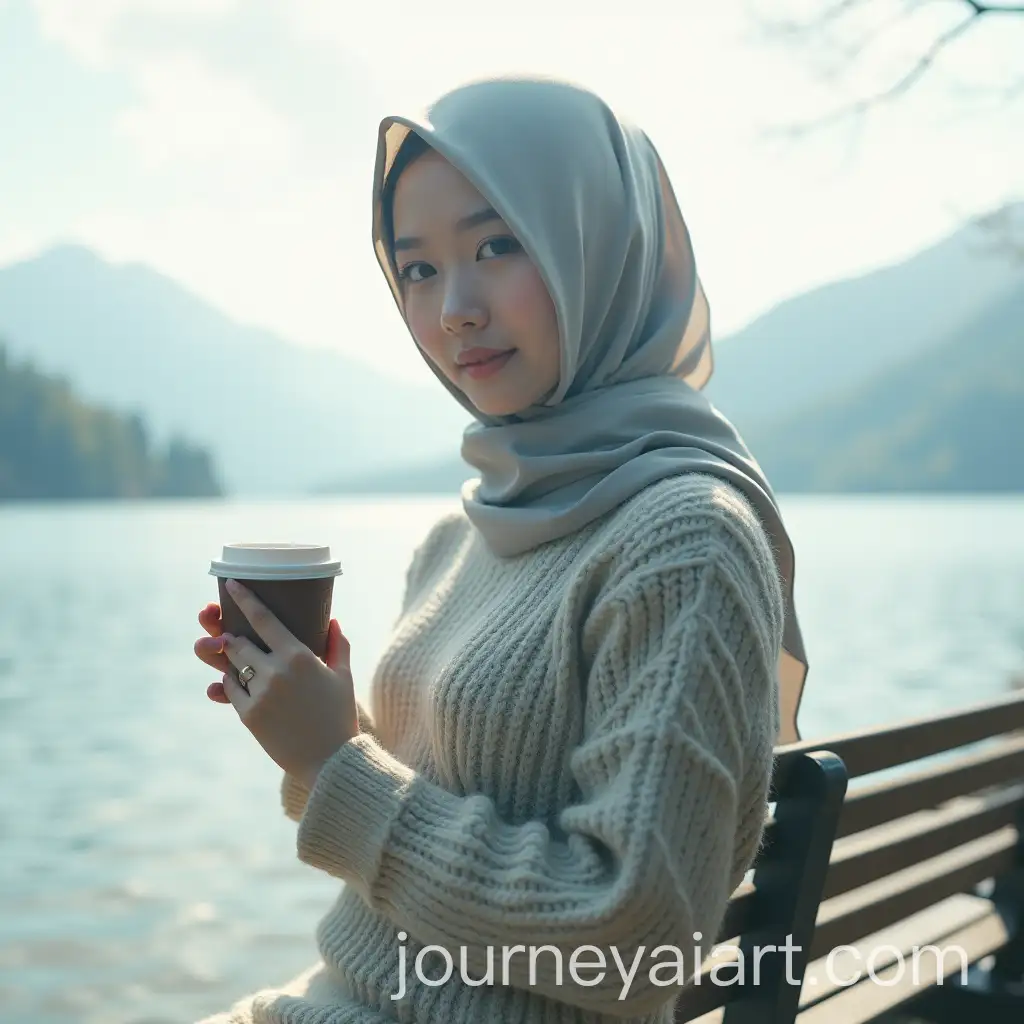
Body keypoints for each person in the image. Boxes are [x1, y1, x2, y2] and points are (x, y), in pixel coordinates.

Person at [192, 75, 808, 1024]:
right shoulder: (461, 535)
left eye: (496, 244)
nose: (455, 311)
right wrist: (322, 735)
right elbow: (422, 812)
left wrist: (340, 772)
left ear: (597, 243)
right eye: (419, 269)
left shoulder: (685, 538)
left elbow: (636, 943)